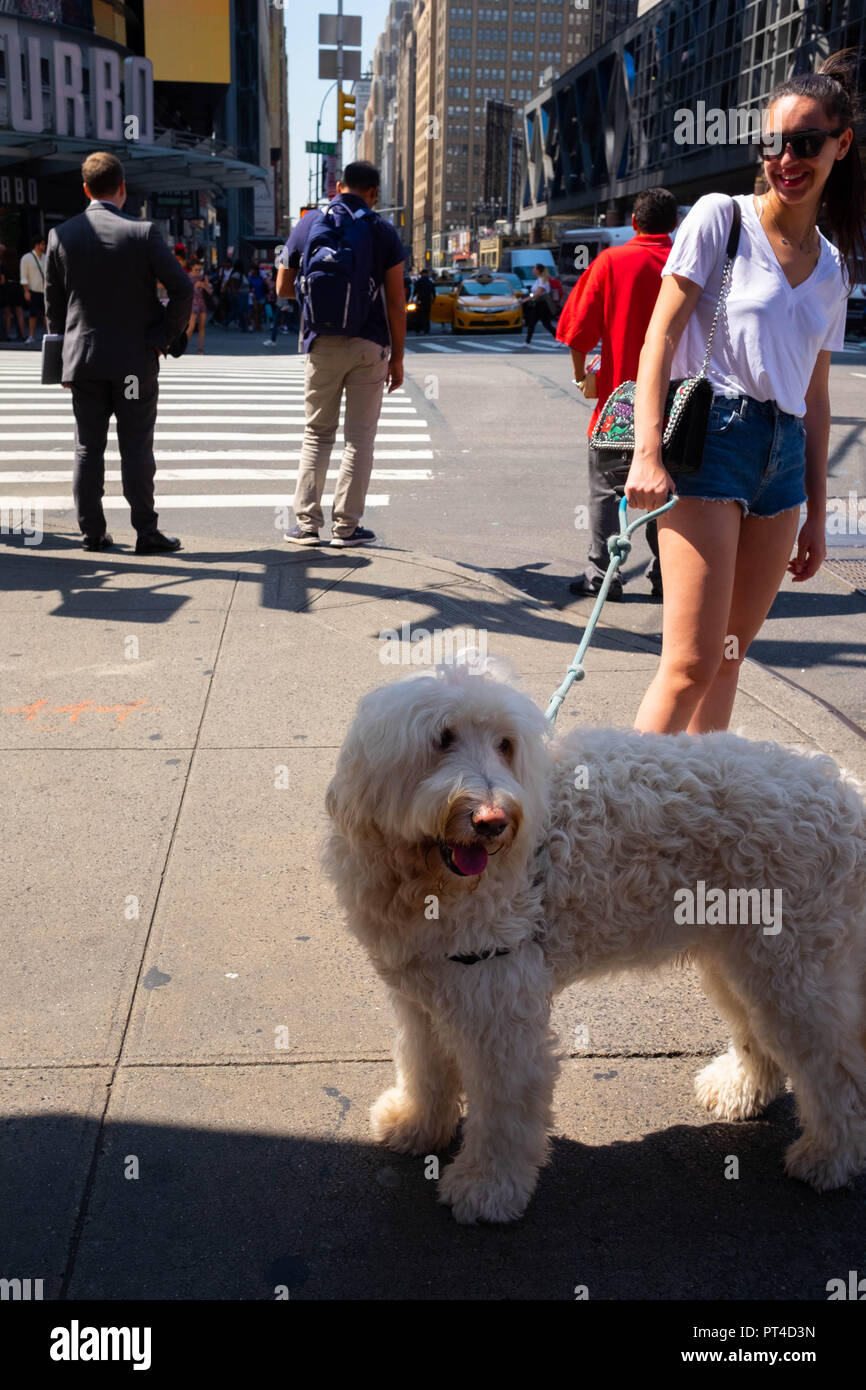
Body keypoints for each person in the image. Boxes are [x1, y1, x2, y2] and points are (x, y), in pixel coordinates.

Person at [627, 50, 863, 735]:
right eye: (773, 144)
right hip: (713, 440)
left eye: (806, 144)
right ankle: (614, 824)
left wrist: (817, 514)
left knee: (730, 658)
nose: (786, 159)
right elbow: (659, 338)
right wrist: (648, 451)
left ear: (841, 145)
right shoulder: (719, 218)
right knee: (690, 663)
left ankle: (699, 821)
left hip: (783, 465)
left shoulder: (835, 268)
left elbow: (816, 399)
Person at [44, 150, 192, 553]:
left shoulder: (61, 235)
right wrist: (163, 337)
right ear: (123, 189)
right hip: (131, 367)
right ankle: (146, 531)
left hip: (85, 364)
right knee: (135, 443)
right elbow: (183, 289)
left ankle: (92, 532)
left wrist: (61, 361)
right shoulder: (142, 233)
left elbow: (54, 308)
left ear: (86, 189)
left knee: (87, 447)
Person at [557, 187, 678, 600]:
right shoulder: (691, 263)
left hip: (621, 401)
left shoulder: (612, 261)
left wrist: (581, 377)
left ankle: (603, 576)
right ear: (674, 225)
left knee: (607, 488)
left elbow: (577, 333)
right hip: (680, 405)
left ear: (633, 223)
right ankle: (668, 576)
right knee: (672, 489)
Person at [280, 159, 406, 548]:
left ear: (338, 185)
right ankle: (346, 528)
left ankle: (305, 525)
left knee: (317, 434)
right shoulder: (382, 230)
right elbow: (396, 302)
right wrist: (398, 358)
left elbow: (283, 286)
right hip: (369, 345)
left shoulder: (309, 223)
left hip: (320, 343)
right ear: (374, 194)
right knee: (359, 439)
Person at [20, 233, 47, 345]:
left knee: (47, 314)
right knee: (33, 315)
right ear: (37, 245)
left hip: (45, 291)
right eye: (42, 244)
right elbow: (24, 276)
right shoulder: (27, 258)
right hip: (33, 291)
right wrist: (26, 291)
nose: (44, 246)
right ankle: (31, 336)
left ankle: (49, 335)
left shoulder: (46, 257)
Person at [524, 264, 557, 343]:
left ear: (538, 271)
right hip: (537, 304)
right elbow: (534, 292)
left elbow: (538, 292)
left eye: (534, 268)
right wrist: (529, 297)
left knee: (546, 324)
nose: (533, 269)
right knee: (532, 323)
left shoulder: (542, 279)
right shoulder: (538, 279)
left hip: (543, 304)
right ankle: (527, 342)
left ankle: (559, 340)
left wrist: (526, 299)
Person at [187, 258, 211, 353]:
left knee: (201, 327)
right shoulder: (187, 277)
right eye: (196, 270)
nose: (198, 272)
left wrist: (204, 285)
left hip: (202, 303)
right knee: (191, 327)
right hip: (192, 303)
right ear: (191, 267)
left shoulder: (203, 277)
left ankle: (200, 348)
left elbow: (209, 292)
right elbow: (185, 292)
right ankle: (183, 346)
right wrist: (194, 286)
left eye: (199, 270)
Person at [411, 269, 435, 334]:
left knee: (418, 315)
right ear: (427, 274)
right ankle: (426, 329)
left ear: (421, 274)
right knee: (426, 316)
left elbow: (415, 291)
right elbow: (433, 292)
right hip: (427, 301)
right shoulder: (430, 282)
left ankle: (418, 329)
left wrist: (412, 299)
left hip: (420, 301)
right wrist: (433, 300)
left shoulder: (418, 282)